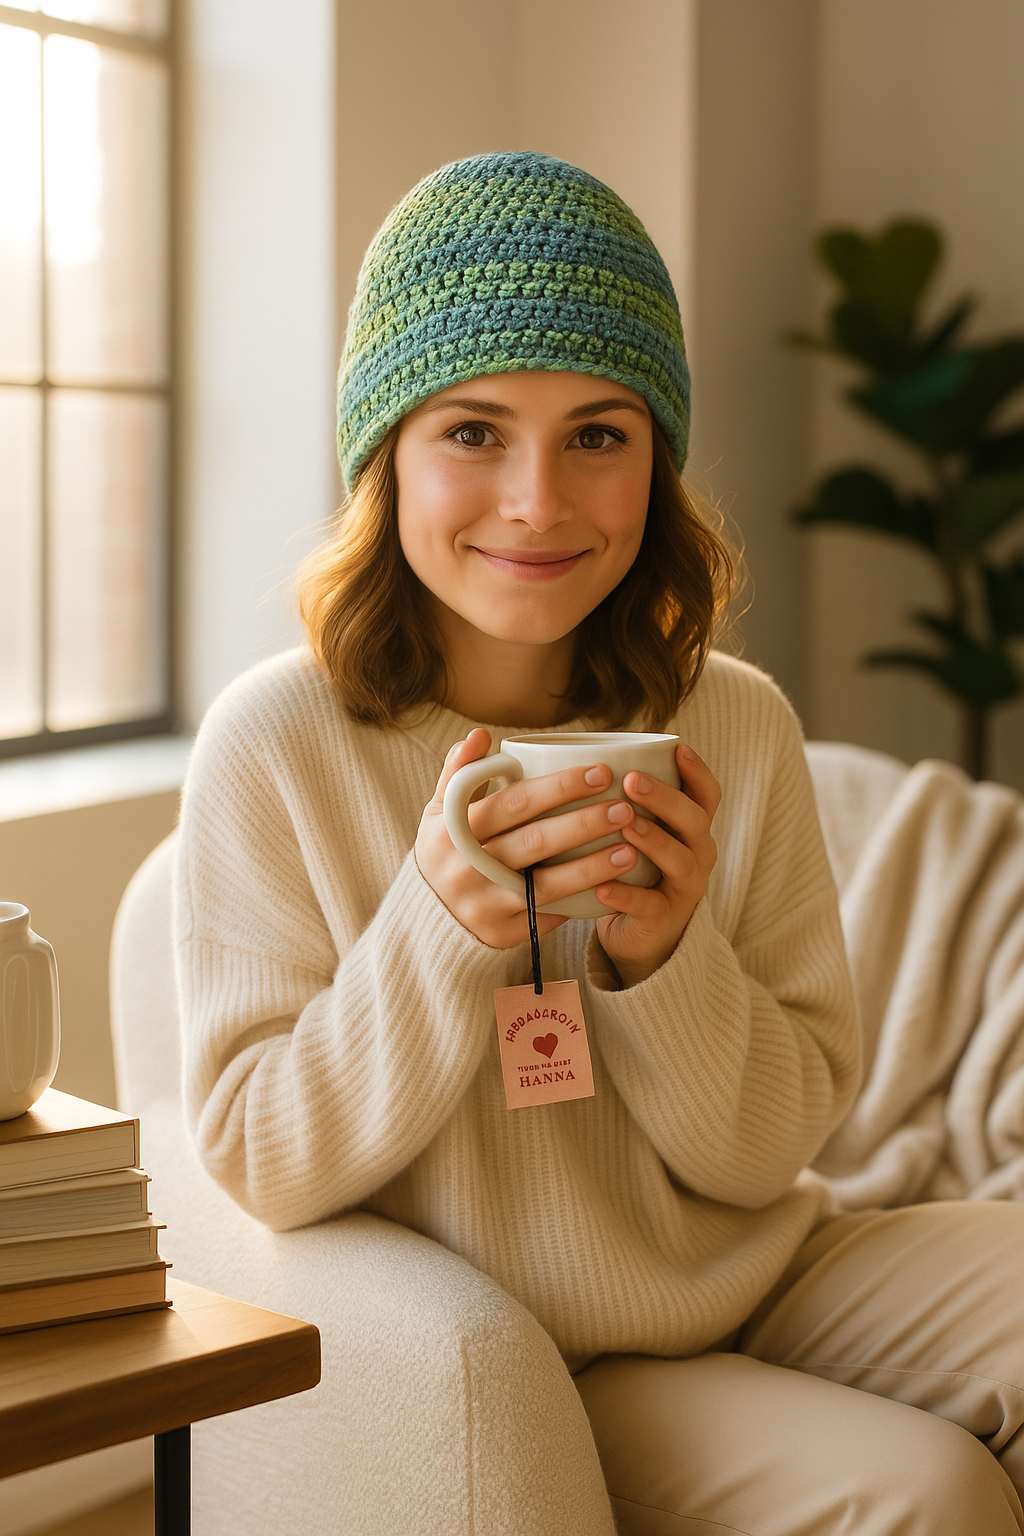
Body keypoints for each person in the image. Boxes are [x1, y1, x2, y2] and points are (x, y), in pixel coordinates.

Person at [175, 152, 1024, 1535]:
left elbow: (771, 1151)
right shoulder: (278, 745)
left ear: (658, 459)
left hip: (766, 1262)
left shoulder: (735, 726)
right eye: (472, 433)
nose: (538, 502)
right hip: (531, 1354)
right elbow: (264, 1162)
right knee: (930, 1496)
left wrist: (665, 961)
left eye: (599, 435)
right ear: (385, 451)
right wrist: (439, 928)